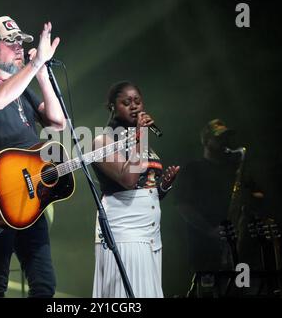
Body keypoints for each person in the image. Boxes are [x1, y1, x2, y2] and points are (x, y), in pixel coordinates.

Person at [0, 16, 65, 298]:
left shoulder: (24, 89)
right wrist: (33, 64)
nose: (19, 47)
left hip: (32, 197)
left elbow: (57, 122)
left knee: (44, 283)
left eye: (21, 42)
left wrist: (40, 72)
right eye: (11, 42)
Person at [91, 81, 179, 298]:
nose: (134, 106)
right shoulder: (103, 141)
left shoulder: (140, 140)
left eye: (137, 101)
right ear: (112, 107)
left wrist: (164, 186)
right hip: (125, 233)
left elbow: (145, 190)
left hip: (150, 234)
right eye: (126, 102)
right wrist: (141, 135)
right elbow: (129, 179)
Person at [174, 119, 264, 276]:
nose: (225, 141)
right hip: (206, 250)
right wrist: (210, 231)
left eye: (226, 137)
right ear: (206, 141)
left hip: (239, 249)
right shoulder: (193, 169)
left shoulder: (235, 169)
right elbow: (182, 206)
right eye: (219, 138)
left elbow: (258, 195)